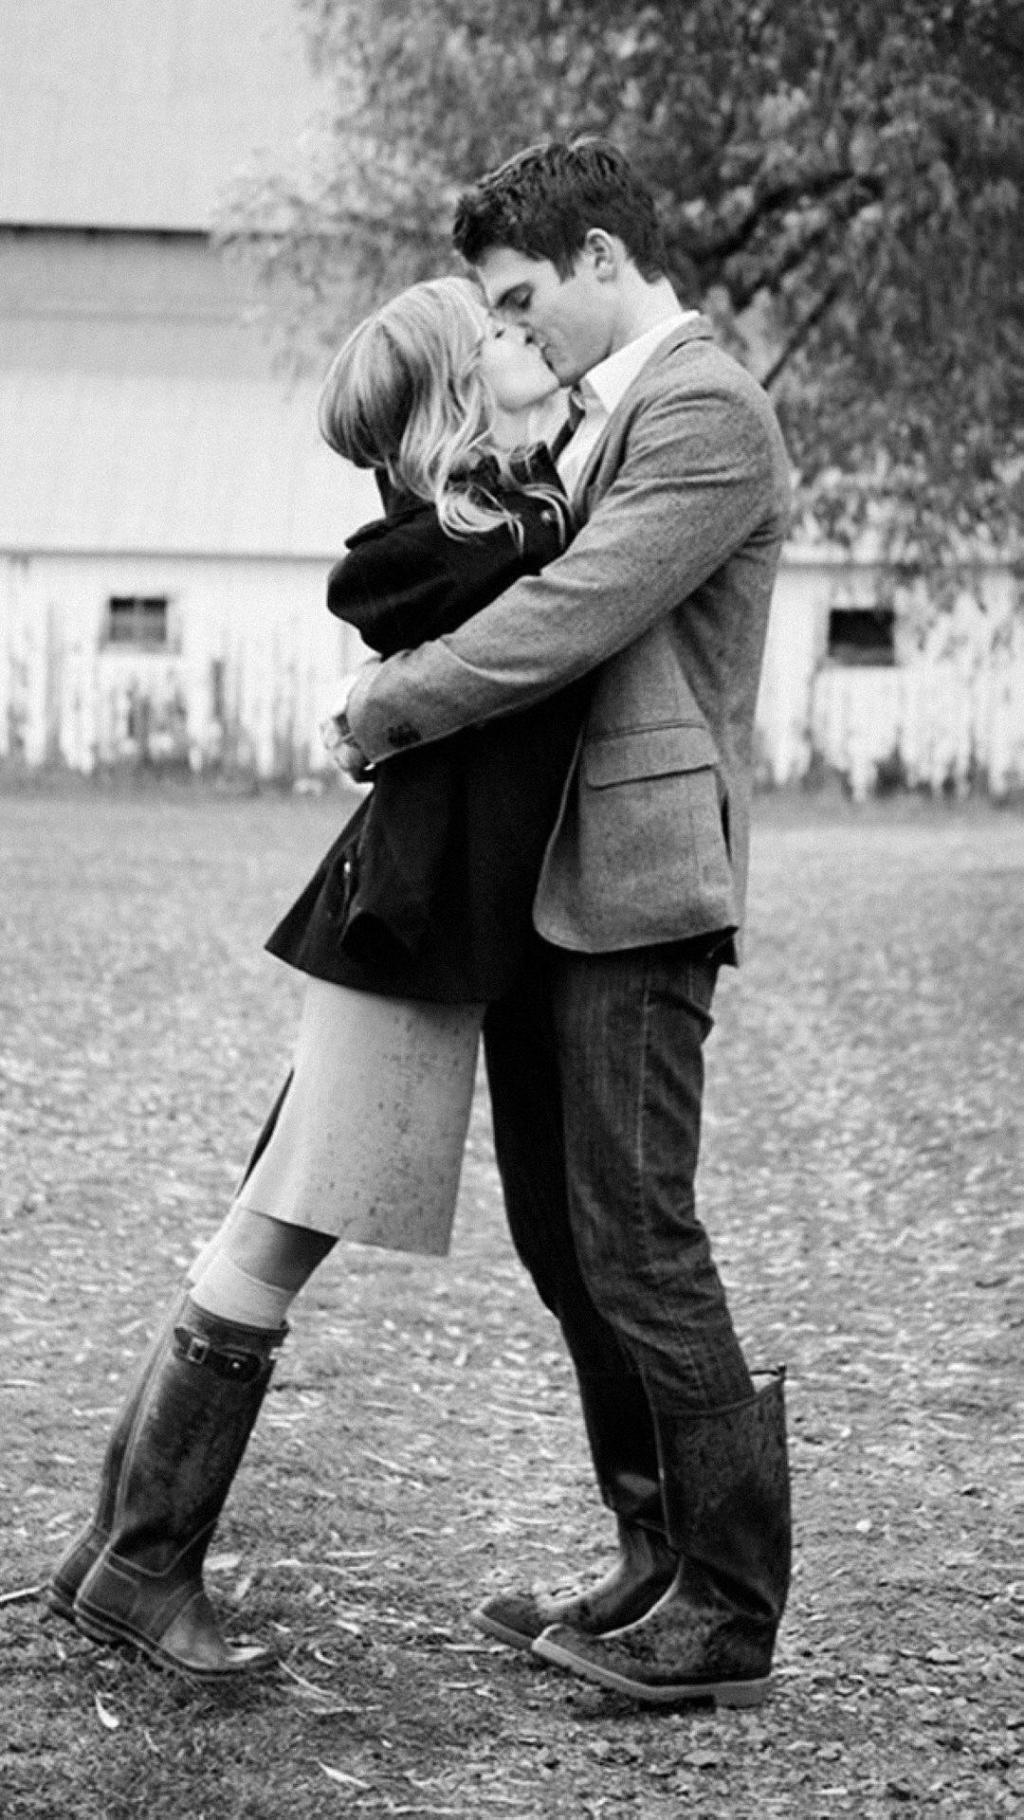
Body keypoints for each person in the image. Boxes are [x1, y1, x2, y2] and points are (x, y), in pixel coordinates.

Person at [44, 275, 588, 1683]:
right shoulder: (464, 542)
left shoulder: (503, 521)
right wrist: (532, 490)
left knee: (268, 1218)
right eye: (500, 337)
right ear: (461, 391)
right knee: (281, 1233)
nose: (530, 343)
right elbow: (408, 572)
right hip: (406, 929)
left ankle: (109, 1551)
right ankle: (143, 1567)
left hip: (412, 925)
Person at [330, 139, 795, 1709]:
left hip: (641, 886)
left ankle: (729, 1606)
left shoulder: (707, 411)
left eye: (522, 297)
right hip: (544, 876)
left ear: (604, 257)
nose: (509, 330)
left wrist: (390, 701)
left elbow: (567, 619)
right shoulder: (597, 414)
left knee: (639, 1239)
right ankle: (654, 1553)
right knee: (563, 1242)